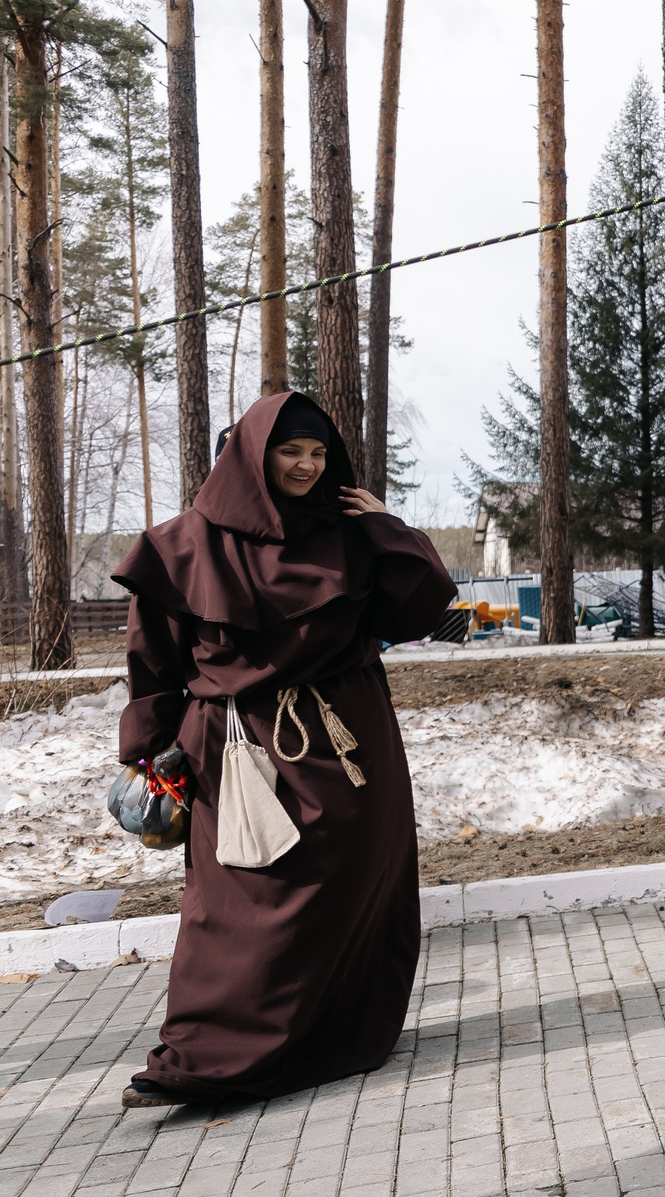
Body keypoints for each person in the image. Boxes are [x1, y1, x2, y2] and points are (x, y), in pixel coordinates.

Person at [111, 392, 456, 1108]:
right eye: (290, 451)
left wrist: (386, 525)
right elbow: (153, 661)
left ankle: (331, 1039)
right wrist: (148, 750)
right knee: (237, 905)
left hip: (348, 748)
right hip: (236, 751)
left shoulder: (348, 535)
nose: (306, 465)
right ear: (252, 455)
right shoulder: (183, 546)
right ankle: (202, 1058)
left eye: (318, 452)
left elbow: (424, 607)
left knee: (349, 892)